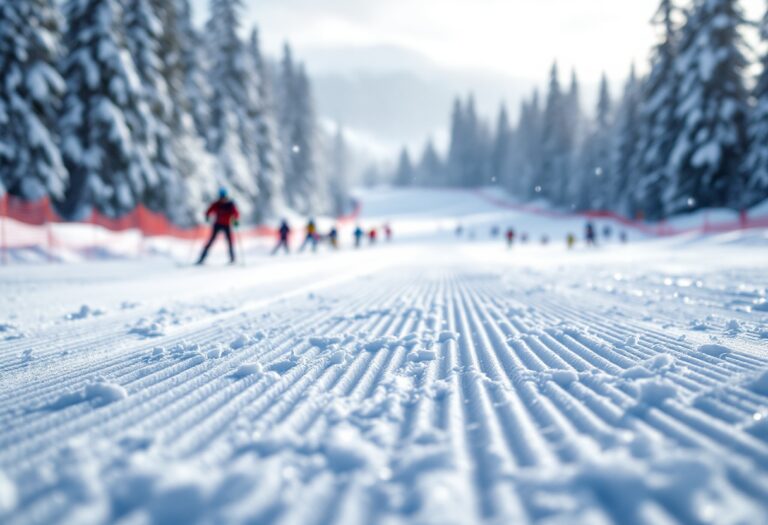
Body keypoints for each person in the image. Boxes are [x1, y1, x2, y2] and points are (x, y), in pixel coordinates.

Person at [197, 188, 239, 265]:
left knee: (229, 242)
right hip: (218, 224)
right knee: (210, 241)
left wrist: (235, 220)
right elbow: (209, 210)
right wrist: (207, 215)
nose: (222, 199)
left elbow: (235, 213)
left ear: (226, 196)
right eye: (221, 197)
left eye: (223, 197)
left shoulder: (230, 204)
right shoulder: (217, 204)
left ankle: (232, 259)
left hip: (227, 225)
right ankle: (201, 259)